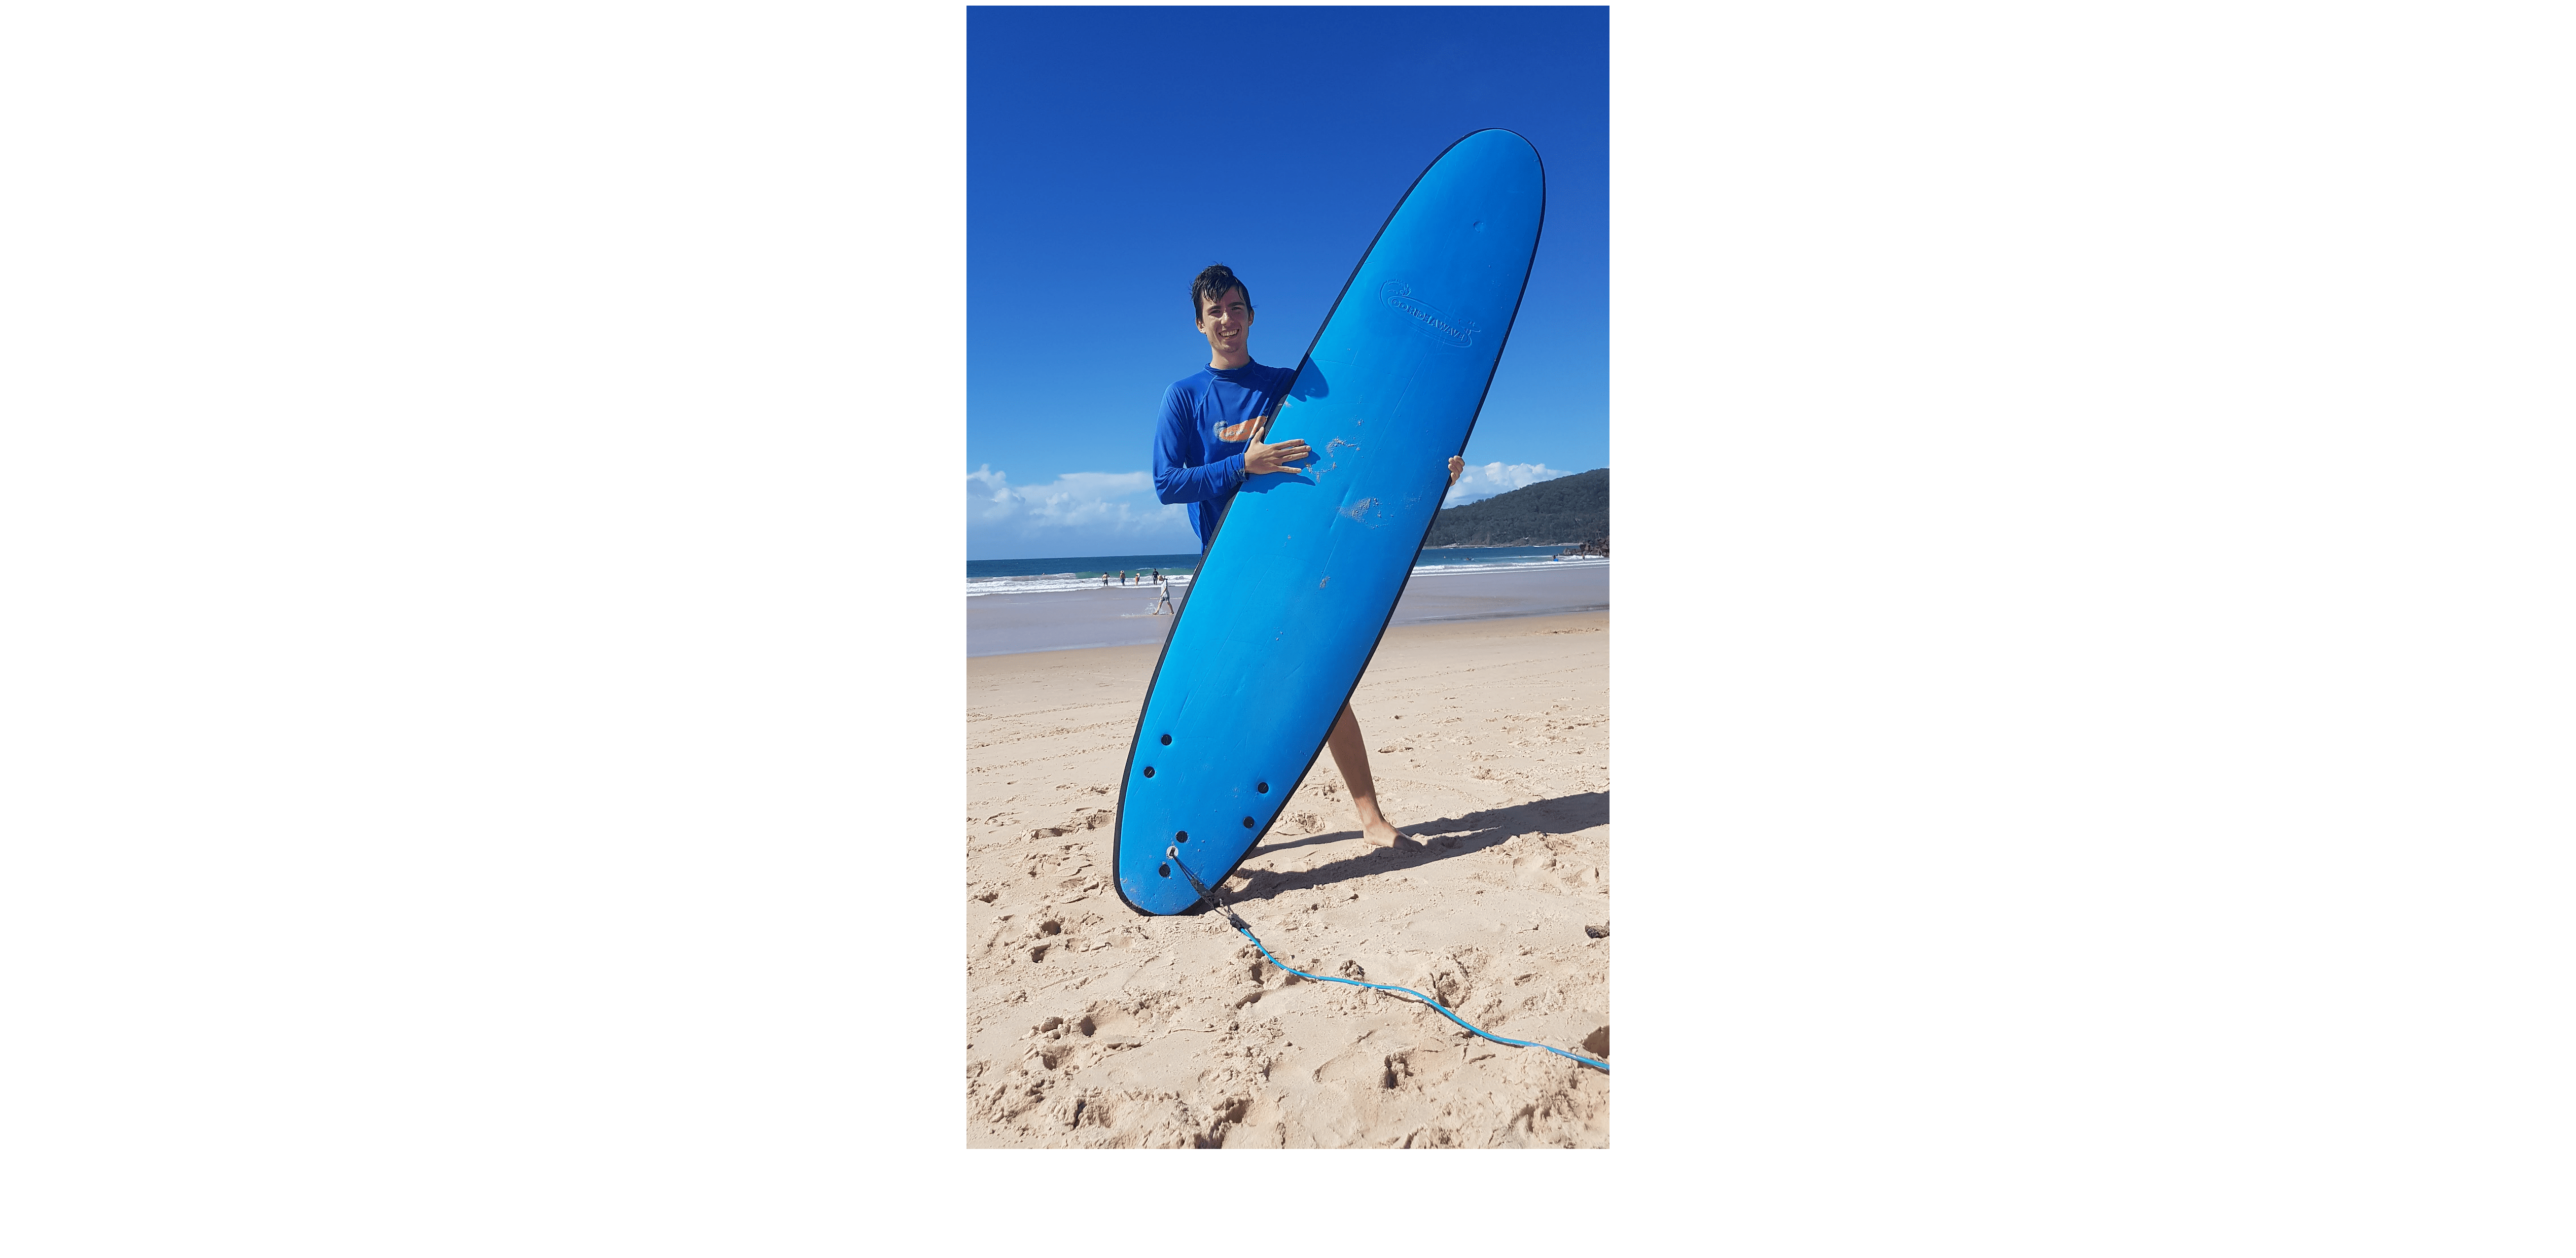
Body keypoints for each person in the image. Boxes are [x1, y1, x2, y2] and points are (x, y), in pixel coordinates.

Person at [1151, 263, 1463, 850]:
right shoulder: (1185, 397)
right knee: (1222, 699)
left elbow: (1358, 446)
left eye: (1236, 306)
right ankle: (1204, 828)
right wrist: (1244, 464)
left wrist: (1431, 472)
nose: (1228, 319)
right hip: (1228, 574)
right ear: (1200, 323)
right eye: (1215, 310)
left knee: (1321, 688)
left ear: (1252, 314)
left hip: (1295, 569)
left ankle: (1371, 818)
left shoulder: (1289, 386)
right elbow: (1168, 482)